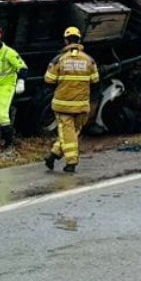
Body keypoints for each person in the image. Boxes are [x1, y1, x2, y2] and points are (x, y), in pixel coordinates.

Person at [43, 26, 99, 174]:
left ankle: (71, 162)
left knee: (67, 133)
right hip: (82, 106)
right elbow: (95, 80)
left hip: (63, 105)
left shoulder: (58, 60)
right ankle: (53, 155)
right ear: (79, 40)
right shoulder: (89, 60)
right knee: (71, 132)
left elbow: (49, 80)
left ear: (66, 41)